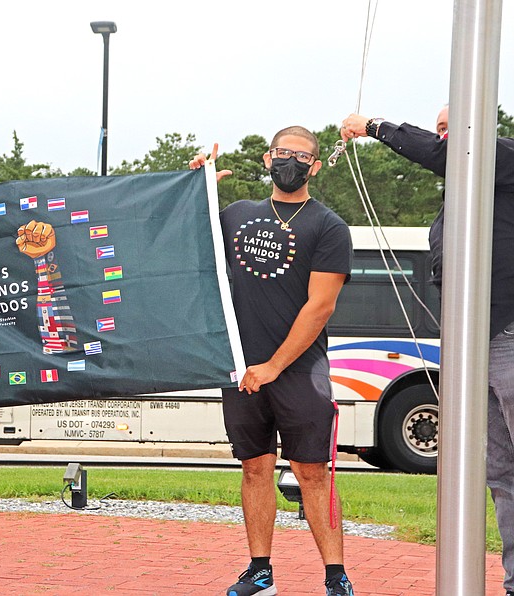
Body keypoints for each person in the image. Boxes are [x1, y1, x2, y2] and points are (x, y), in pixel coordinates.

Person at [341, 108, 514, 596]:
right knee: (500, 474)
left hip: (507, 336)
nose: (446, 135)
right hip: (472, 343)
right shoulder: (460, 202)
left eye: (454, 123)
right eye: (440, 127)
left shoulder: (500, 158)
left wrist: (375, 127)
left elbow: (455, 154)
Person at [190, 127, 355, 596]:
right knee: (255, 467)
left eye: (302, 156)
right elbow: (185, 242)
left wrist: (276, 366)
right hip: (241, 367)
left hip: (299, 371)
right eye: (283, 153)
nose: (291, 162)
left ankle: (336, 577)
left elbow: (319, 306)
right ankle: (260, 572)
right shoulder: (236, 215)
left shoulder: (328, 227)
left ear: (316, 166)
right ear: (267, 158)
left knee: (311, 473)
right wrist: (196, 188)